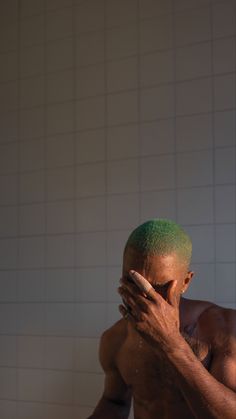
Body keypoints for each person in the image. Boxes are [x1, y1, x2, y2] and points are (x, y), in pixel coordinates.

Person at [88, 219, 236, 419]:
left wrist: (171, 344)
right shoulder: (115, 338)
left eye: (158, 288)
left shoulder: (224, 329)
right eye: (133, 283)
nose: (144, 297)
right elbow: (114, 402)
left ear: (185, 282)